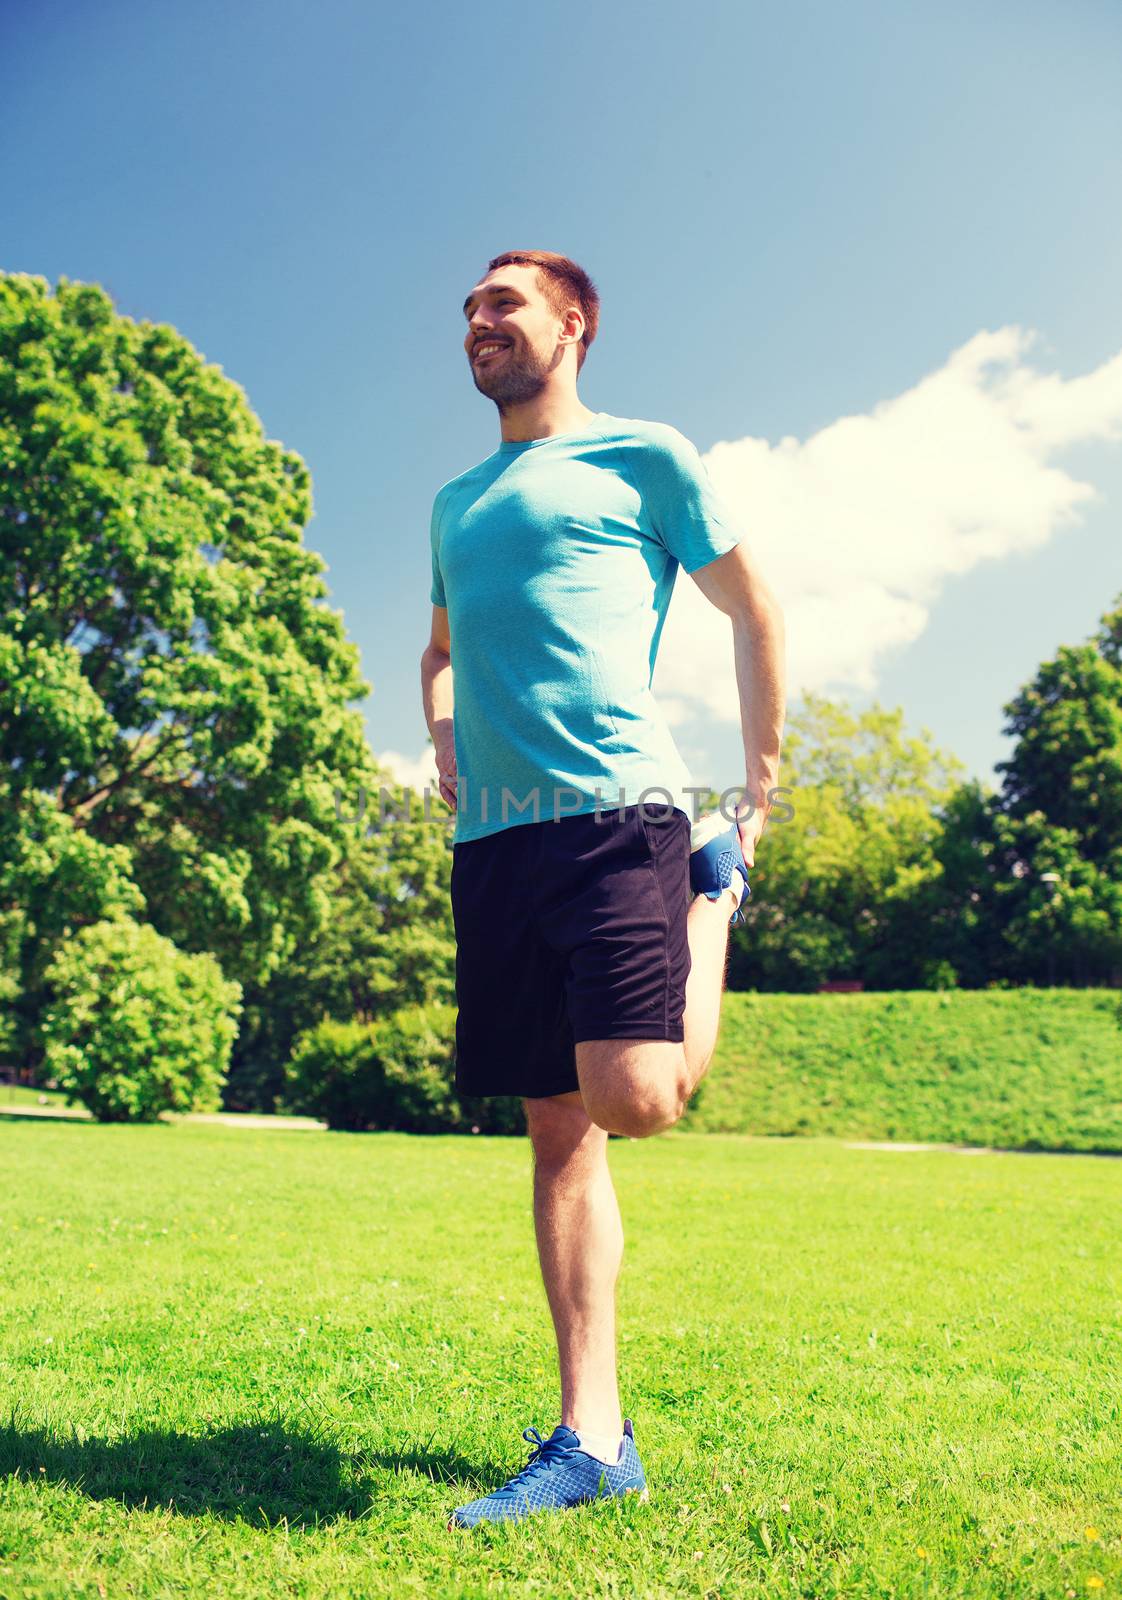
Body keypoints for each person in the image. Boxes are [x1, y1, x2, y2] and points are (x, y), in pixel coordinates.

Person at [420, 250, 786, 1528]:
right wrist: (443, 726)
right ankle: (592, 1436)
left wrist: (761, 781)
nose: (477, 321)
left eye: (501, 303)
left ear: (572, 324)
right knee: (556, 1132)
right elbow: (441, 647)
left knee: (637, 1100)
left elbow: (751, 609)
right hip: (496, 845)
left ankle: (714, 896)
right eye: (470, 309)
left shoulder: (646, 456)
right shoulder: (455, 500)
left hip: (623, 818)